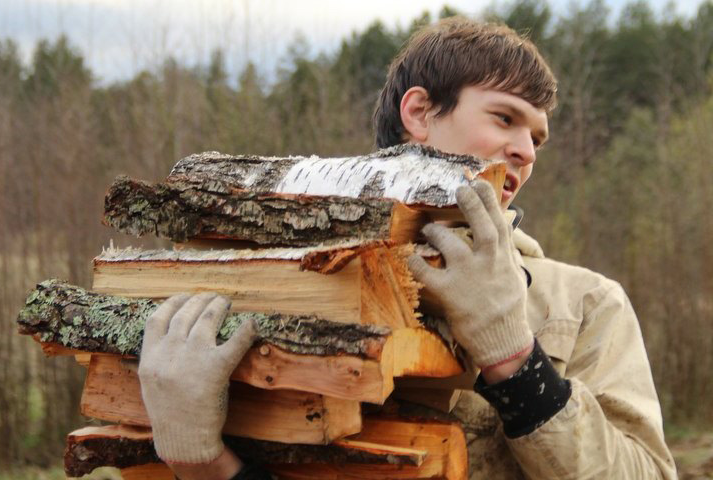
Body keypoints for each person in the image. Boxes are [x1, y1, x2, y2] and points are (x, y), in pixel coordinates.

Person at [138, 17, 677, 479]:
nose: (524, 151)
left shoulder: (583, 303)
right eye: (505, 118)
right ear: (419, 113)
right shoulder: (291, 278)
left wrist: (514, 358)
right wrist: (203, 464)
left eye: (537, 138)